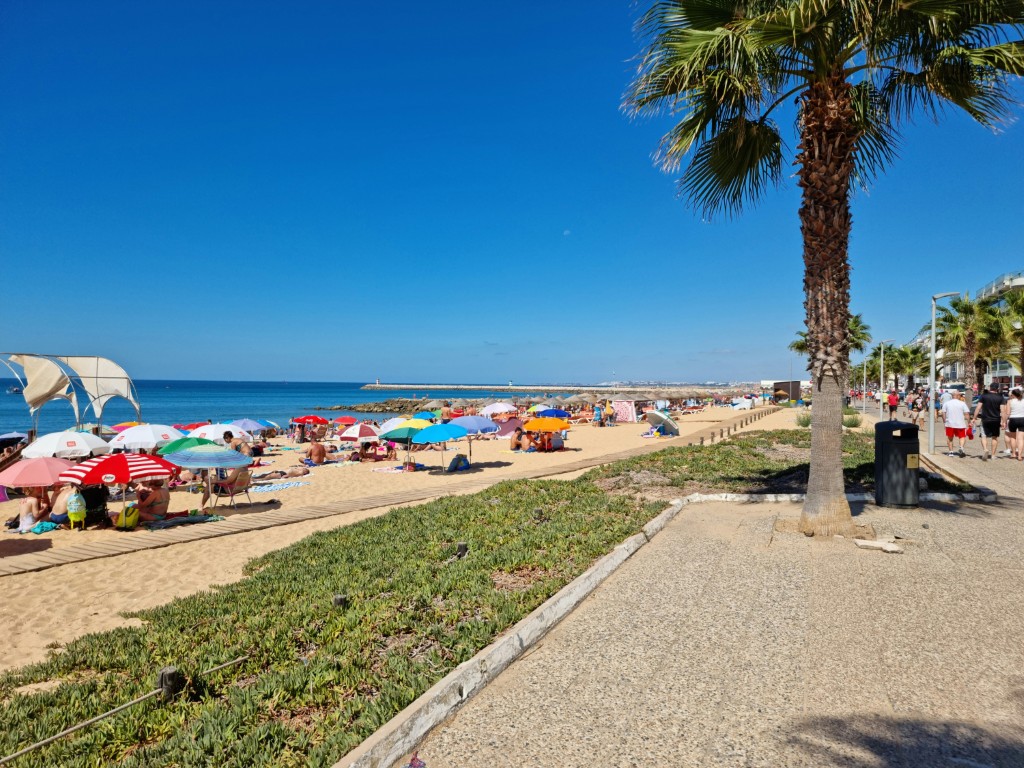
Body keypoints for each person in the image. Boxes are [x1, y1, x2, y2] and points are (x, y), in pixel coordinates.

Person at [972, 382, 1007, 461]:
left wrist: (974, 418)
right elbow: (1003, 411)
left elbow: (978, 408)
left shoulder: (984, 396)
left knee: (983, 436)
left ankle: (985, 449)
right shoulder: (1000, 397)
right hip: (996, 420)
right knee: (994, 437)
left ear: (990, 388)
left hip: (985, 419)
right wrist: (1004, 422)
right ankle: (993, 455)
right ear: (997, 388)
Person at [941, 391, 971, 457]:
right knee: (962, 437)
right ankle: (961, 447)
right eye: (960, 395)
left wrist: (944, 422)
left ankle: (951, 452)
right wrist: (969, 422)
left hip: (949, 424)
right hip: (960, 424)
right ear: (958, 396)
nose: (960, 396)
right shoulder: (962, 403)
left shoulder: (947, 403)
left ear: (952, 396)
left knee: (950, 438)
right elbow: (966, 414)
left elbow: (943, 413)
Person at [1005, 388, 1024, 461]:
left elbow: (1008, 413)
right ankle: (1020, 455)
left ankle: (1013, 454)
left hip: (1013, 419)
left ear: (1013, 394)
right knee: (1021, 438)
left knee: (1013, 437)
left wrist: (1004, 421)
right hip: (1022, 419)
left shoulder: (1010, 401)